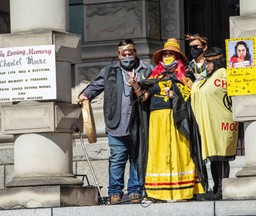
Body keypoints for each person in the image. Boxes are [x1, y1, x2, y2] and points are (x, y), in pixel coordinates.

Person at [78, 39, 153, 204]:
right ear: (118, 55)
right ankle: (115, 192)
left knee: (136, 158)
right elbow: (96, 85)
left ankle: (135, 191)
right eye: (123, 54)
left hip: (139, 124)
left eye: (130, 53)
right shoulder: (109, 71)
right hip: (116, 123)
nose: (127, 56)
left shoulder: (147, 70)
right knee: (117, 159)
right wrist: (85, 95)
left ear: (135, 53)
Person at [135, 38, 206, 201]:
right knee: (158, 153)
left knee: (179, 152)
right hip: (156, 120)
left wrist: (175, 96)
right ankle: (157, 193)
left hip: (177, 119)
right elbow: (144, 97)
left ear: (177, 56)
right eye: (165, 54)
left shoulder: (186, 74)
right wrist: (134, 85)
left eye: (171, 54)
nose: (167, 56)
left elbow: (192, 95)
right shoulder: (153, 75)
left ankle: (184, 191)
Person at [191, 47, 238, 200]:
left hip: (222, 121)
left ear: (217, 61)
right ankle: (217, 187)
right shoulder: (208, 77)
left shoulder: (224, 74)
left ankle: (223, 188)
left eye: (209, 62)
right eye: (206, 62)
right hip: (211, 122)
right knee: (214, 157)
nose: (207, 65)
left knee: (222, 156)